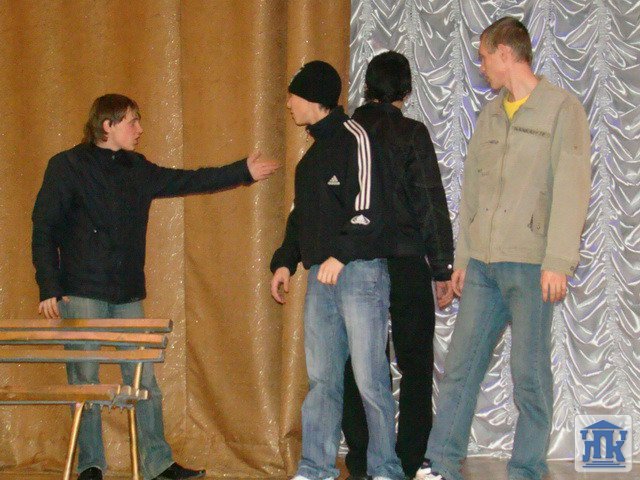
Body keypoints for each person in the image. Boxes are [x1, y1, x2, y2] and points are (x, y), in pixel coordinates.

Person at [32, 93, 279, 480]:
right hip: (80, 291)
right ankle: (90, 465)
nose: (140, 129)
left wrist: (242, 171)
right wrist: (49, 286)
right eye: (132, 121)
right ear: (108, 125)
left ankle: (157, 463)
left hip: (127, 293)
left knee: (144, 381)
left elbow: (188, 179)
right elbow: (44, 228)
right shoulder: (67, 166)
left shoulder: (137, 168)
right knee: (85, 382)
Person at [415, 17, 591, 480]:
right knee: (460, 367)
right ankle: (442, 464)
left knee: (529, 376)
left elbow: (572, 188)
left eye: (484, 57)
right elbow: (473, 193)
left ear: (506, 54)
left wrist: (559, 261)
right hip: (483, 267)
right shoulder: (490, 115)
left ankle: (526, 470)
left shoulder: (561, 109)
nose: (481, 66)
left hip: (533, 265)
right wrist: (463, 259)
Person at [270, 61, 404, 480]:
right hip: (321, 282)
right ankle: (315, 467)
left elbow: (370, 210)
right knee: (322, 381)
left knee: (370, 380)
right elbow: (299, 220)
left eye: (293, 96)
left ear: (313, 98)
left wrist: (340, 256)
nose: (288, 104)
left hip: (360, 275)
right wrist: (284, 262)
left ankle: (385, 469)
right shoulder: (310, 160)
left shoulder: (357, 139)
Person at [341, 51, 454, 480]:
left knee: (359, 362)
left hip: (355, 260)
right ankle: (407, 460)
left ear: (367, 87)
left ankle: (362, 458)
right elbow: (429, 201)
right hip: (406, 260)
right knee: (415, 364)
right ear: (406, 90)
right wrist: (441, 268)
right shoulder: (411, 133)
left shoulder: (345, 133)